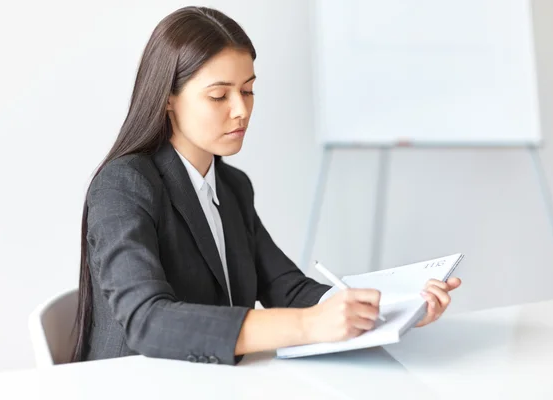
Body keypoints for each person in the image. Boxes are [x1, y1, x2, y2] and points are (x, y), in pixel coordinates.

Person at [72, 6, 461, 365]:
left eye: (248, 90)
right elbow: (147, 321)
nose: (241, 110)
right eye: (219, 95)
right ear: (168, 99)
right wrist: (309, 325)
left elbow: (286, 289)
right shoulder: (123, 186)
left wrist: (396, 309)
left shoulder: (232, 186)